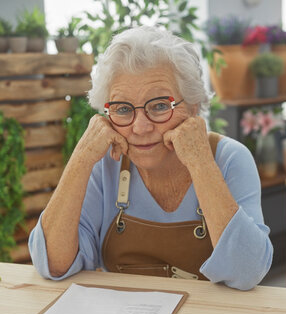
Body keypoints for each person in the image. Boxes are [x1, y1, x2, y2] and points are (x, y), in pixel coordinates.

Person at [29, 26, 272, 290]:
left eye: (159, 106)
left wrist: (201, 163)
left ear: (191, 106)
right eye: (123, 109)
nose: (140, 128)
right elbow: (52, 263)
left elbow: (247, 272)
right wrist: (82, 157)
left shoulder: (229, 159)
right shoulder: (105, 164)